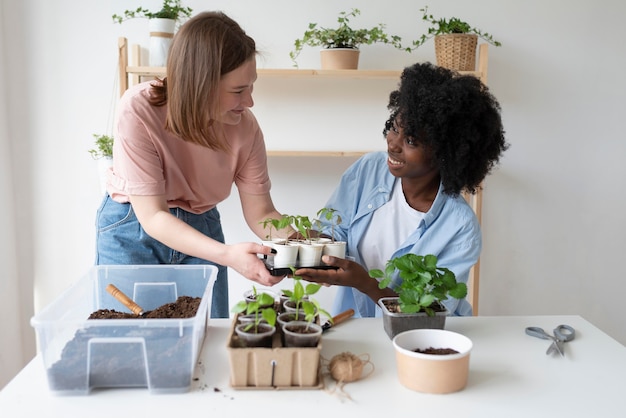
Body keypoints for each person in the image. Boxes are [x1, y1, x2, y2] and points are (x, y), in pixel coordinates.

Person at [96, 12, 292, 318]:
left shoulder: (245, 128)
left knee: (207, 342)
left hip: (201, 226)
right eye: (238, 91)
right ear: (199, 84)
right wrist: (228, 256)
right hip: (132, 227)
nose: (250, 102)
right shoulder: (139, 109)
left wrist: (302, 246)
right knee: (129, 339)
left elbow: (262, 212)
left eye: (251, 87)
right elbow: (154, 216)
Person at [296, 62, 508, 318]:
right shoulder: (369, 169)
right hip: (354, 323)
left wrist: (365, 283)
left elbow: (430, 311)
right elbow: (334, 228)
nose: (393, 144)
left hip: (426, 339)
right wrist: (315, 249)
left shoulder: (460, 227)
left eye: (411, 141)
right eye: (395, 128)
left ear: (445, 154)